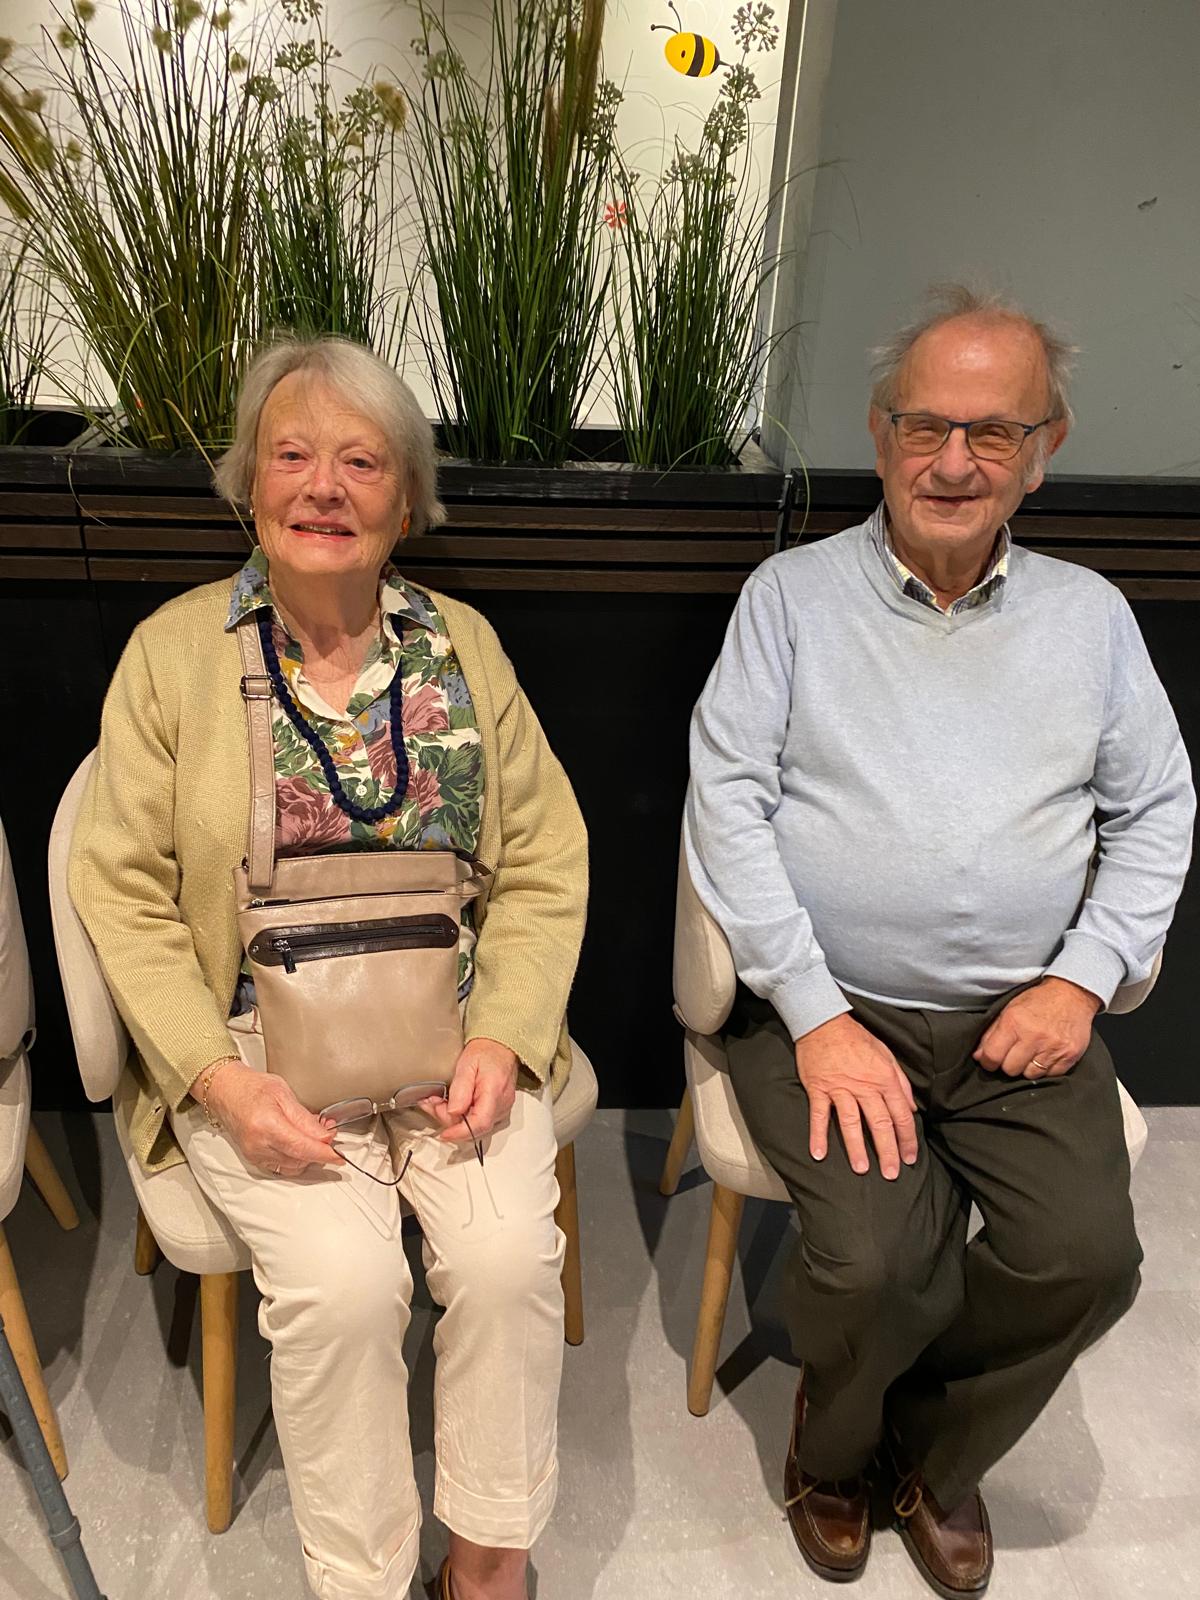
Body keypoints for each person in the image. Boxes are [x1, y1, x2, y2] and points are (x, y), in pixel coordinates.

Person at [684, 285, 1194, 1595]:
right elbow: (725, 807)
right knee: (876, 1264)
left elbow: (1157, 810)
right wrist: (816, 1015)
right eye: (926, 426)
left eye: (993, 431)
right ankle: (835, 1448)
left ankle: (929, 1446)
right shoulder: (791, 599)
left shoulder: (1090, 619)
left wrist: (1082, 978)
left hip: (1019, 1017)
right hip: (829, 1005)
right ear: (881, 432)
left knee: (1086, 1258)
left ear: (1044, 450)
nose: (954, 461)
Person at [70, 336, 588, 1600]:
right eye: (292, 455)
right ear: (249, 484)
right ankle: (361, 1579)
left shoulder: (464, 645)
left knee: (507, 1260)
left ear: (405, 500)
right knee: (346, 1288)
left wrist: (504, 1033)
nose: (323, 487)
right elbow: (121, 890)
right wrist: (217, 1079)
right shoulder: (173, 654)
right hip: (253, 1043)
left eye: (362, 461)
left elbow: (545, 857)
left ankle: (489, 1562)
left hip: (454, 1023)